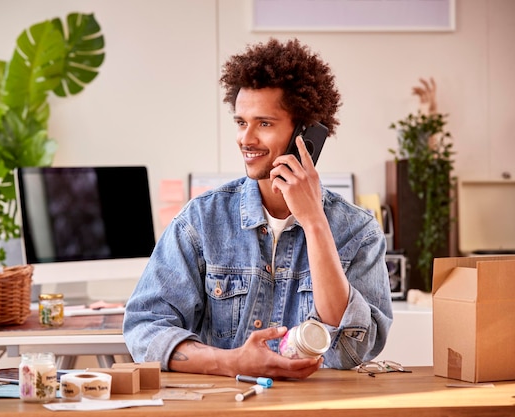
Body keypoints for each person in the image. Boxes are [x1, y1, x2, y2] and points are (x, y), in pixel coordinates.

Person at [123, 38, 393, 379]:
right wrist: (233, 361)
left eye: (264, 123)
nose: (245, 139)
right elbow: (144, 329)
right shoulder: (202, 221)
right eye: (240, 122)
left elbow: (354, 347)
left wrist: (314, 223)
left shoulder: (357, 231)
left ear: (307, 133)